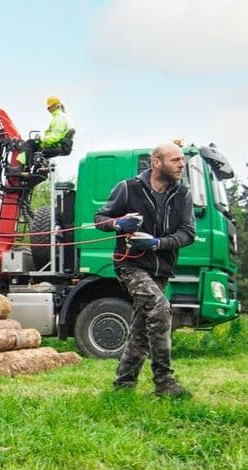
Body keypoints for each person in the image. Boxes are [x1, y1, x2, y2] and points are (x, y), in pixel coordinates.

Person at [94, 143, 195, 397]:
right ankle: (165, 382)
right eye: (175, 160)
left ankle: (123, 386)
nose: (181, 165)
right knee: (161, 310)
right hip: (130, 265)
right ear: (157, 163)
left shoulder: (182, 194)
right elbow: (99, 219)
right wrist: (119, 223)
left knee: (141, 329)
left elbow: (188, 233)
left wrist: (158, 243)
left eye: (182, 160)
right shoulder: (128, 188)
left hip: (161, 269)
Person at [17, 96, 71, 173]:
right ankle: (26, 168)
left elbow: (55, 137)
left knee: (29, 143)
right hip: (56, 144)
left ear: (56, 105)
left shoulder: (59, 118)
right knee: (33, 146)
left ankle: (20, 167)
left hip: (55, 145)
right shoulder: (59, 117)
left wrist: (41, 139)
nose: (48, 109)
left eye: (49, 107)